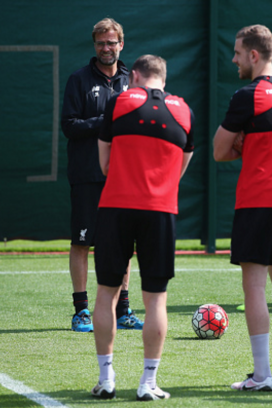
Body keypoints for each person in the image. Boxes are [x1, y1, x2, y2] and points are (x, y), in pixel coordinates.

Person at [91, 55, 194, 401]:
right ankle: (148, 382)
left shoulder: (118, 101)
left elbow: (104, 165)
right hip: (160, 210)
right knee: (156, 301)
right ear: (164, 78)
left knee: (107, 292)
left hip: (115, 206)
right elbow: (182, 166)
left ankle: (106, 379)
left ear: (134, 75)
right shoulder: (184, 110)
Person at [213, 24, 272, 391]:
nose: (233, 59)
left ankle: (262, 374)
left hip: (257, 199)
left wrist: (241, 145)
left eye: (237, 52)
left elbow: (220, 151)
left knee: (253, 285)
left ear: (254, 55)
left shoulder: (248, 95)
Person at [61, 17, 143, 332]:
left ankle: (123, 310)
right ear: (94, 45)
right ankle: (81, 311)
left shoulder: (132, 79)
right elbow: (69, 126)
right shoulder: (78, 79)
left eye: (111, 42)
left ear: (121, 44)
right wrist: (107, 120)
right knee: (82, 242)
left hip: (124, 176)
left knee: (124, 244)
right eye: (100, 43)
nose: (106, 48)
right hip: (86, 175)